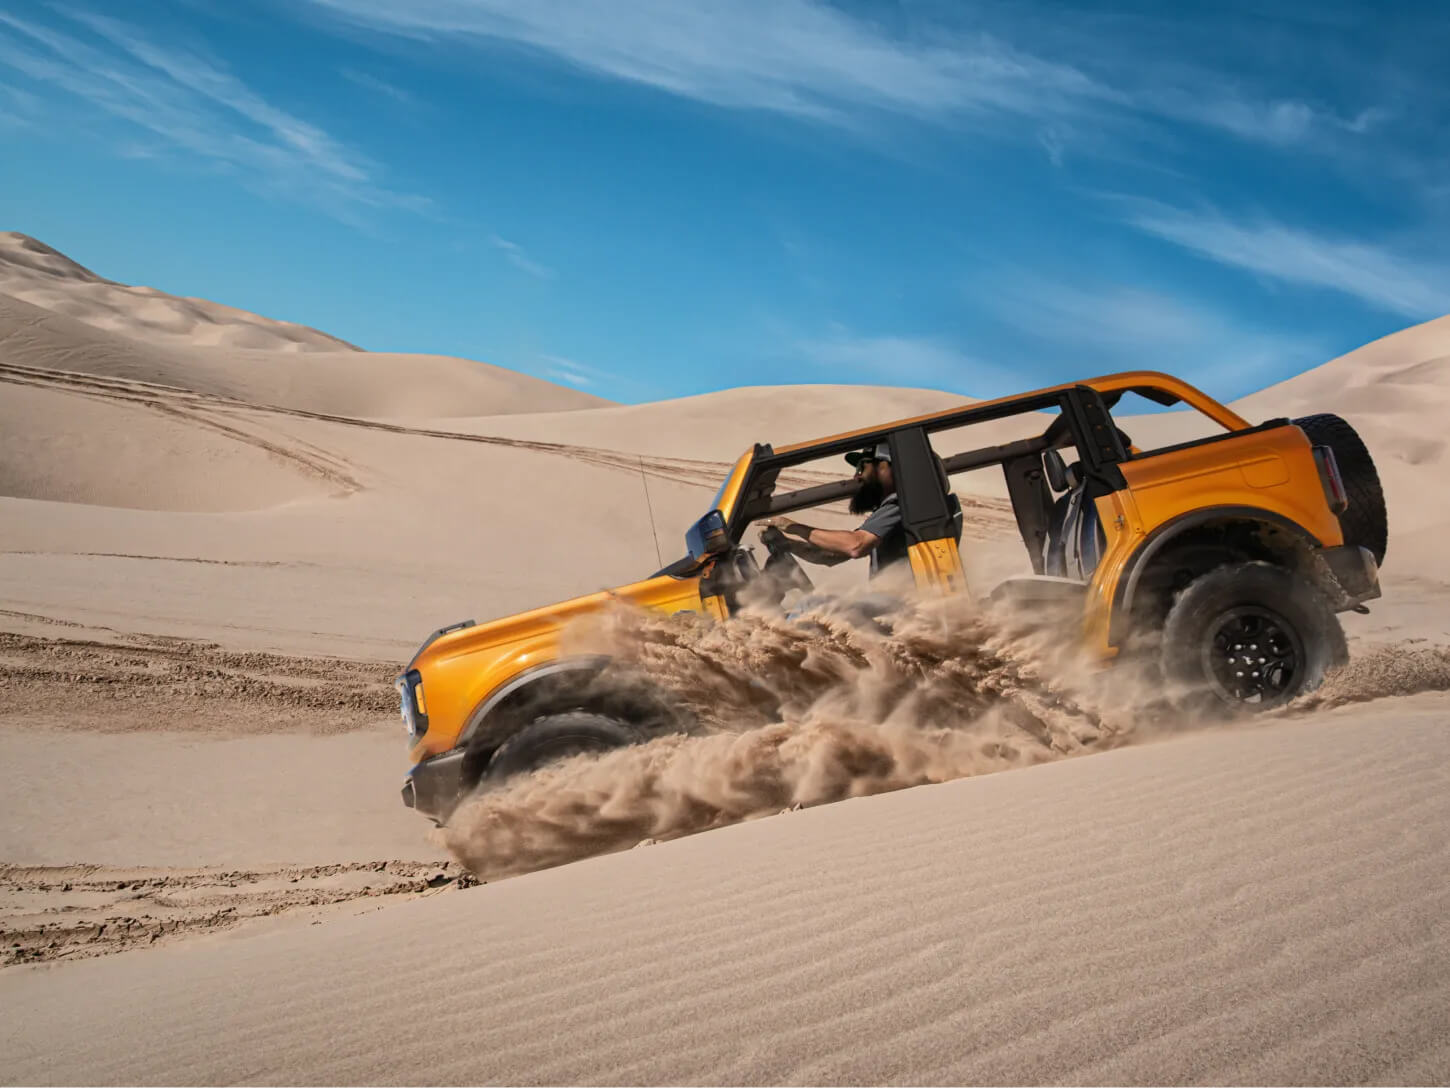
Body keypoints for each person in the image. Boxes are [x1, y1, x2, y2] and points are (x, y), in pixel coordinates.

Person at [762, 442, 909, 579]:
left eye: (862, 467)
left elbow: (856, 546)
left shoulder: (900, 505)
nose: (856, 476)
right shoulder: (888, 513)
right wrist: (787, 544)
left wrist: (791, 526)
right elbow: (830, 556)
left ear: (886, 467)